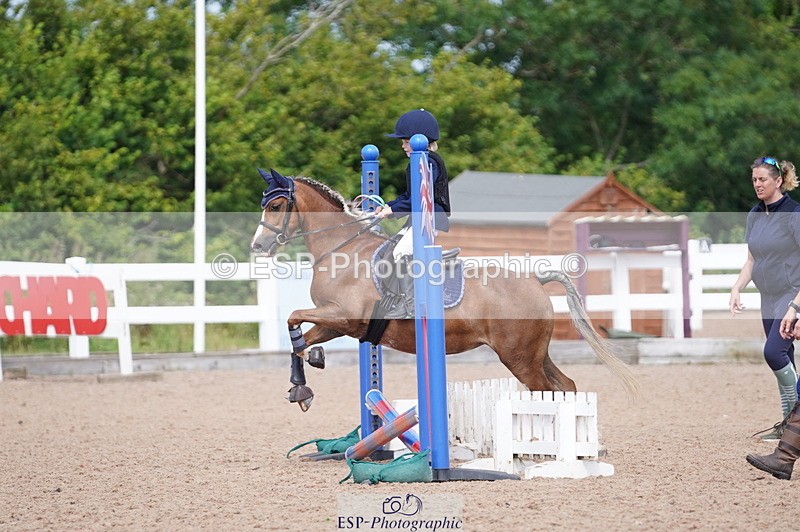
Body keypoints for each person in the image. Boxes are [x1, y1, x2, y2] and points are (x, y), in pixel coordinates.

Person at [730, 156, 800, 441]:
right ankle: (790, 426)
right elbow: (752, 259)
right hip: (767, 297)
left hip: (790, 294)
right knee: (785, 357)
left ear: (778, 181)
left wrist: (796, 306)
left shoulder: (794, 214)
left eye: (763, 179)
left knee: (773, 352)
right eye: (755, 180)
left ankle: (792, 421)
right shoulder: (754, 214)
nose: (757, 184)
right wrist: (736, 288)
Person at [374, 108, 452, 319]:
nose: (402, 145)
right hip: (418, 218)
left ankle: (411, 305)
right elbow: (408, 196)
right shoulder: (418, 161)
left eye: (406, 141)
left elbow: (419, 197)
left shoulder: (428, 162)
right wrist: (388, 207)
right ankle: (397, 297)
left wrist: (393, 210)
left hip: (430, 218)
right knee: (391, 248)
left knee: (401, 252)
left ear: (421, 140)